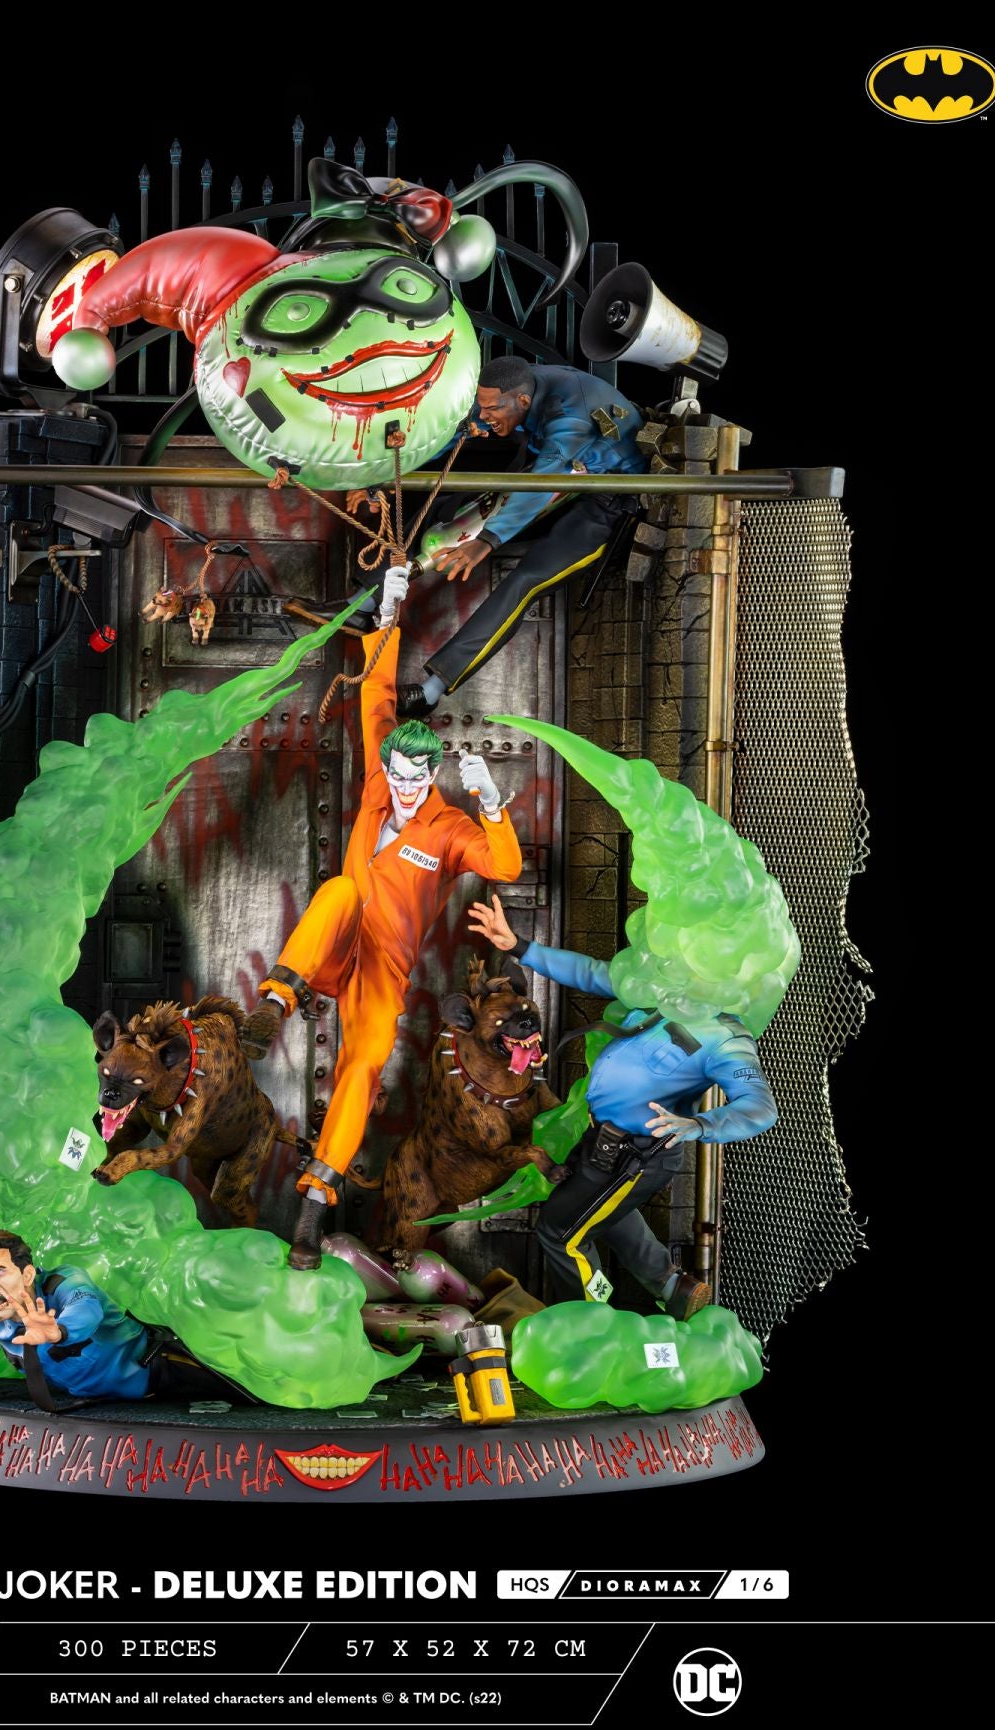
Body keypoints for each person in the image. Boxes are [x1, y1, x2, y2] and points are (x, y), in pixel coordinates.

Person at [243, 565, 521, 1269]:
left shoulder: (449, 829)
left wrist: (491, 804)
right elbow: (374, 697)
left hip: (382, 969)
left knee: (364, 1065)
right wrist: (390, 611)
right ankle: (274, 1006)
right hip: (335, 942)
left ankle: (313, 1208)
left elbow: (505, 866)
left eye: (414, 780)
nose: (402, 789)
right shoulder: (376, 785)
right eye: (396, 777)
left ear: (432, 776)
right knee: (339, 889)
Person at [467, 894, 779, 1318]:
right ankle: (672, 1287)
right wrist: (519, 946)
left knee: (561, 1233)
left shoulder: (727, 1039)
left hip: (636, 1156)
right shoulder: (665, 991)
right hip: (602, 1141)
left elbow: (760, 1107)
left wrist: (700, 1125)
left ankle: (589, 1323)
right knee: (602, 1211)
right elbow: (593, 973)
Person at [393, 354, 647, 720]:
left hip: (606, 499)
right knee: (446, 506)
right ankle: (364, 605)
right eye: (482, 406)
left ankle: (430, 691)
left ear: (523, 401)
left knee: (525, 581)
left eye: (492, 410)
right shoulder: (513, 386)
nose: (485, 416)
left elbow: (542, 482)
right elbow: (458, 429)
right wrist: (385, 474)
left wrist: (487, 540)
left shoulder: (570, 417)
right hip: (558, 473)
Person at [0, 1230, 239, 1419]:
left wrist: (58, 1331)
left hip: (156, 1371)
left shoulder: (64, 1282)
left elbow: (86, 1309)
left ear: (27, 1274)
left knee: (246, 1393)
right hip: (96, 1401)